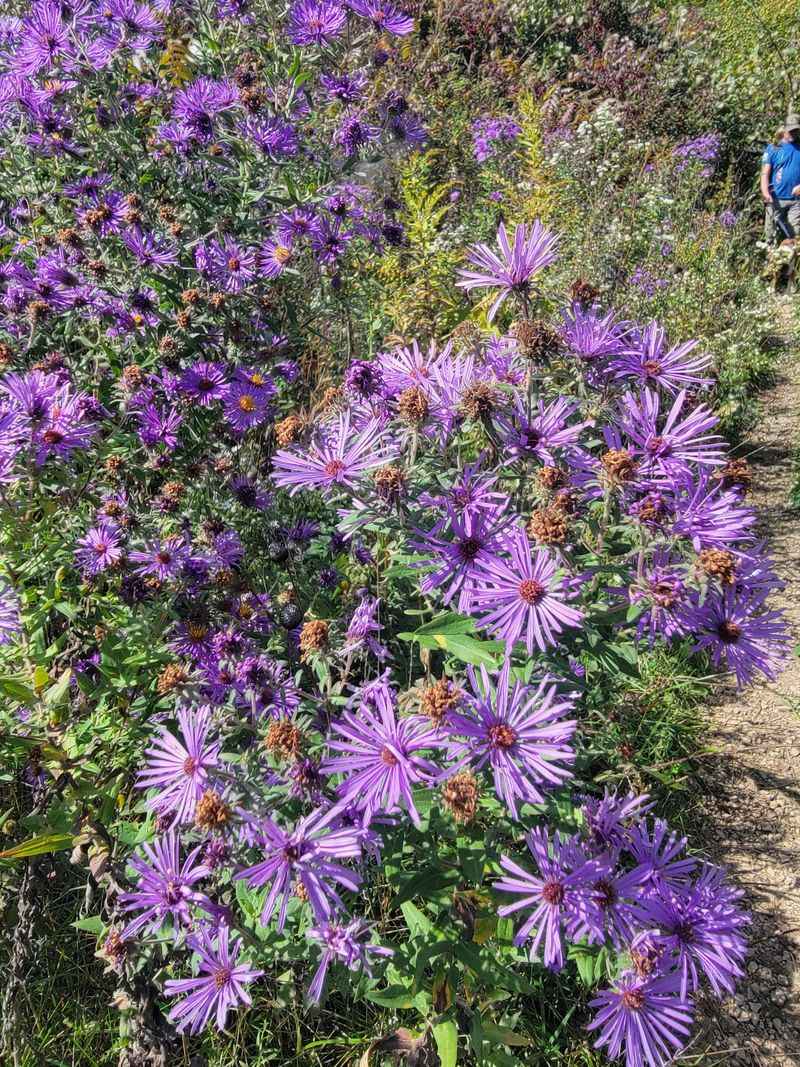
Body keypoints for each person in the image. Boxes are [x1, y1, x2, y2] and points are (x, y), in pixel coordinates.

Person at [761, 114, 800, 241]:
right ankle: (769, 259)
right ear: (784, 129)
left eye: (796, 130)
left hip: (796, 201)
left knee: (795, 237)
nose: (794, 132)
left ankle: (791, 260)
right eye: (791, 130)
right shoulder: (773, 148)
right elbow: (765, 173)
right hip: (775, 199)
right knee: (770, 237)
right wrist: (766, 193)